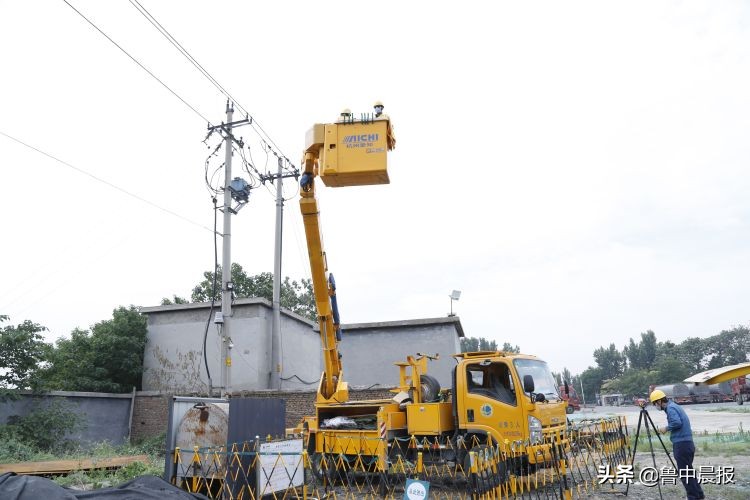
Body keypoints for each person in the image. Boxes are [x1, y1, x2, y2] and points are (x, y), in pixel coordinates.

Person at [649, 389, 705, 500]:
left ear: (660, 401)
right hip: (687, 443)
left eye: (655, 403)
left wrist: (666, 428)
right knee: (688, 471)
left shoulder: (670, 408)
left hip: (682, 444)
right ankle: (699, 494)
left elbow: (677, 422)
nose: (656, 406)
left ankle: (692, 497)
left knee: (684, 473)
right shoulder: (674, 406)